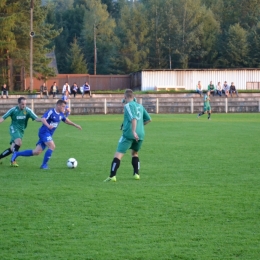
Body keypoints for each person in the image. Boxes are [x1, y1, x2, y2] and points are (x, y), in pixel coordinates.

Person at [11, 100, 82, 170]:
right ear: (58, 105)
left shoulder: (61, 114)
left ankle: (17, 154)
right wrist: (48, 126)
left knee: (36, 152)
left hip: (48, 134)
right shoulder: (51, 112)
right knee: (52, 146)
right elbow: (43, 119)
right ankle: (44, 165)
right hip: (44, 132)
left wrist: (75, 125)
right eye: (63, 106)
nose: (64, 108)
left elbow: (66, 120)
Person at [104, 89, 151, 182]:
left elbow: (133, 118)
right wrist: (139, 127)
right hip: (141, 134)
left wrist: (133, 131)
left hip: (129, 134)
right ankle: (136, 174)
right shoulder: (140, 106)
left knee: (118, 155)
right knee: (134, 153)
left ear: (125, 97)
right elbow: (148, 119)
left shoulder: (128, 105)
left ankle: (112, 176)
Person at [0, 97, 48, 166]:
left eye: (25, 104)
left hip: (21, 131)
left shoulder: (28, 110)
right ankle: (13, 160)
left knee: (12, 148)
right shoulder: (13, 110)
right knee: (19, 142)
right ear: (18, 103)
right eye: (22, 104)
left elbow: (36, 118)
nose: (24, 105)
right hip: (13, 128)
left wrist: (42, 120)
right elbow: (3, 117)